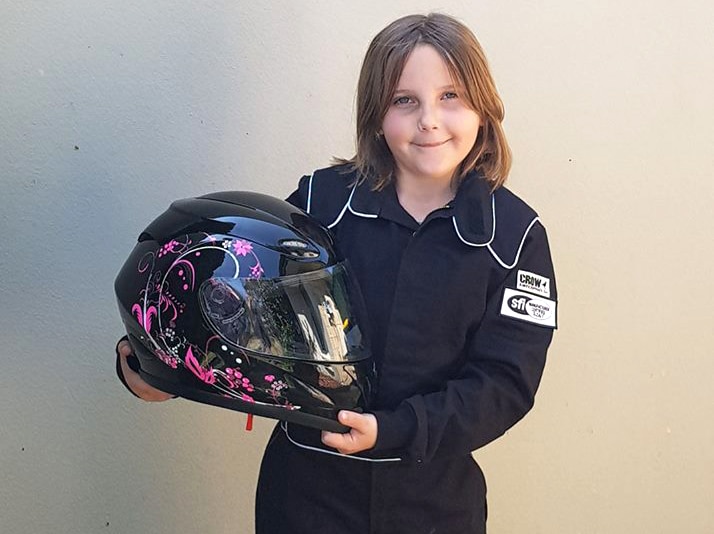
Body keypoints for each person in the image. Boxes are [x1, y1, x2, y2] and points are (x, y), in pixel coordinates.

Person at [116, 12, 558, 533]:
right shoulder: (319, 202)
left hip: (434, 503)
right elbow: (237, 303)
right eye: (404, 100)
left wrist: (396, 429)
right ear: (375, 114)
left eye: (451, 97)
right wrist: (156, 362)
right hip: (305, 495)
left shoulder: (516, 236)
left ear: (484, 107)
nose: (429, 121)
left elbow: (504, 384)